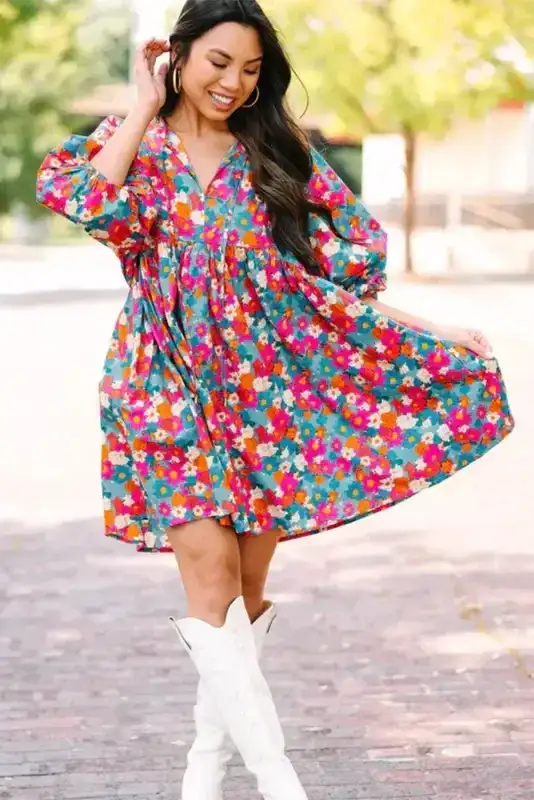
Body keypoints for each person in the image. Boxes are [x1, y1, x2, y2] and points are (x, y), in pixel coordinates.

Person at [36, 0, 514, 796]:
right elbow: (85, 201)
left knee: (244, 596)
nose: (233, 83)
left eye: (251, 70)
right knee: (210, 580)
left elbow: (328, 283)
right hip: (162, 389)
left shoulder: (274, 155)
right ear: (179, 55)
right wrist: (143, 104)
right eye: (219, 62)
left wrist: (432, 328)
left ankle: (203, 769)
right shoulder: (134, 146)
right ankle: (277, 778)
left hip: (263, 399)